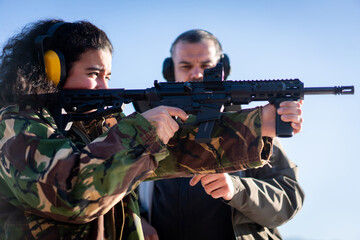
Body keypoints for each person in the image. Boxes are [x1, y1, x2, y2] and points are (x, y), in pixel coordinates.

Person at [0, 20, 302, 239]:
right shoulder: (15, 127)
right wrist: (146, 132)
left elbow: (174, 153)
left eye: (108, 75)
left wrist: (261, 123)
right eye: (94, 74)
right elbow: (73, 193)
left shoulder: (94, 129)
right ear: (53, 71)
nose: (106, 87)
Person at [139, 29, 305, 240]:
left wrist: (236, 189)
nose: (197, 74)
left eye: (207, 67)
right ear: (170, 72)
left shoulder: (252, 130)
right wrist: (137, 222)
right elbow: (118, 192)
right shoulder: (151, 130)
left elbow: (288, 199)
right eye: (186, 66)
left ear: (222, 69)